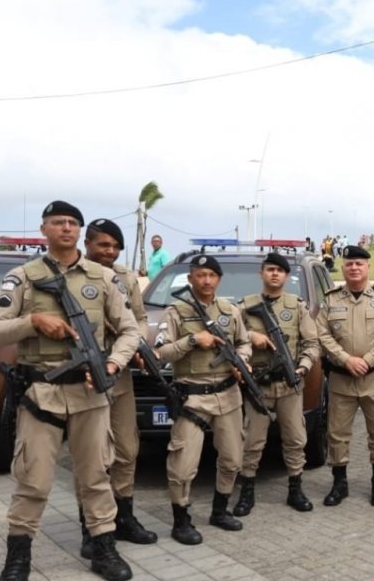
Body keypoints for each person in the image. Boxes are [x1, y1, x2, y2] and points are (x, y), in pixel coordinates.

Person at [0, 201, 138, 581]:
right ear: (45, 229)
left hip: (90, 392)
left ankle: (103, 549)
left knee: (96, 475)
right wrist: (32, 321)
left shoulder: (102, 278)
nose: (66, 228)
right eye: (58, 222)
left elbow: (132, 330)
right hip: (41, 394)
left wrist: (113, 363)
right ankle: (18, 556)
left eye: (72, 223)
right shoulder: (22, 277)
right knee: (33, 478)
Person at [157, 255, 251, 545]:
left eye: (211, 275)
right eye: (200, 275)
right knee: (183, 465)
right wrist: (193, 341)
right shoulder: (175, 312)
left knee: (233, 458)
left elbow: (244, 343)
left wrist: (243, 361)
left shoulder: (229, 311)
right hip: (192, 397)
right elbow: (161, 353)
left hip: (228, 395)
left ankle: (220, 510)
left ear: (219, 279)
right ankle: (181, 519)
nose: (206, 280)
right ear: (190, 279)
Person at [77, 219, 157, 559]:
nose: (109, 252)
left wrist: (136, 343)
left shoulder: (125, 278)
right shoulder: (71, 276)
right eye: (103, 245)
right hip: (86, 378)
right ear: (88, 243)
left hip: (120, 375)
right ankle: (91, 529)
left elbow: (139, 318)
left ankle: (124, 517)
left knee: (126, 449)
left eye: (114, 247)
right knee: (93, 456)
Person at [233, 253, 321, 517]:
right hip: (258, 386)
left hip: (289, 386)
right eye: (270, 269)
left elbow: (312, 344)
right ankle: (247, 490)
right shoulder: (245, 307)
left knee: (295, 439)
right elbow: (229, 337)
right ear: (262, 273)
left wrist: (303, 366)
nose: (274, 274)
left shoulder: (297, 306)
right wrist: (252, 336)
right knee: (252, 441)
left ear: (286, 276)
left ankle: (295, 488)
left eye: (280, 271)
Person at [316, 245, 374, 507]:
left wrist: (368, 360)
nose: (354, 268)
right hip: (341, 380)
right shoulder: (331, 299)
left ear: (368, 267)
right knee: (337, 435)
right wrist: (345, 359)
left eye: (359, 264)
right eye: (349, 264)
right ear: (343, 268)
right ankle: (340, 484)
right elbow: (322, 333)